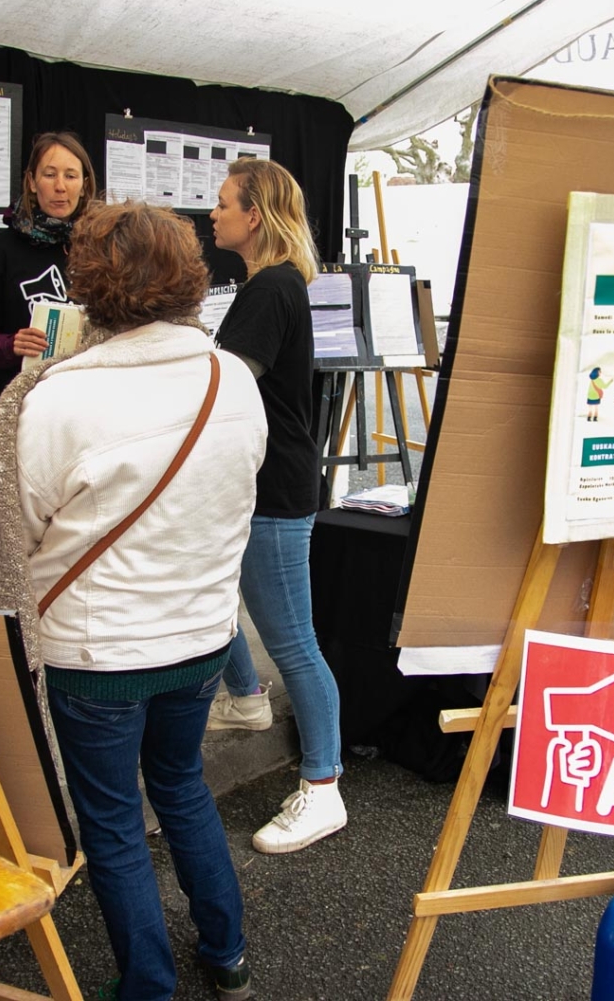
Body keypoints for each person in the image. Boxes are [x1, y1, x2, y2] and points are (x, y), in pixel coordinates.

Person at [0, 201, 266, 1001]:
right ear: (188, 277)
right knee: (182, 785)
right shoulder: (230, 377)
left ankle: (148, 986)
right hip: (202, 634)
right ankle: (228, 954)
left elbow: (27, 527)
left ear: (87, 283)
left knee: (112, 823)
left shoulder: (57, 398)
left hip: (97, 648)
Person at [206, 157, 347, 854]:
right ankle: (246, 699)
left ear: (253, 215)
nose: (213, 214)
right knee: (211, 597)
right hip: (257, 480)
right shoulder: (271, 284)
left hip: (276, 488)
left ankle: (324, 787)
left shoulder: (271, 289)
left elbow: (229, 386)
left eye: (223, 203)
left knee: (293, 642)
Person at [0, 131, 96, 407]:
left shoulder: (100, 247)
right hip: (26, 408)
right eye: (50, 174)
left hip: (86, 403)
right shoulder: (2, 251)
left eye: (70, 176)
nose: (60, 186)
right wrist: (11, 345)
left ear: (84, 185)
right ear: (32, 182)